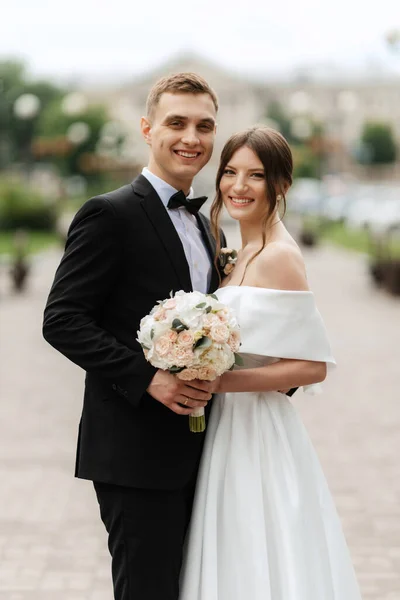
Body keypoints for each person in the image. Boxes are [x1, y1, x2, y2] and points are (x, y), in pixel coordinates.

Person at [42, 72, 226, 600]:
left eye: (204, 126)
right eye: (177, 123)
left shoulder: (209, 227)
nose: (192, 137)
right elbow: (63, 319)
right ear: (148, 129)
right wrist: (149, 379)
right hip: (135, 452)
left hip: (203, 449)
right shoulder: (109, 214)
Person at [179, 127, 362, 599]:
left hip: (257, 429)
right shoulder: (238, 253)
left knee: (258, 548)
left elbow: (311, 367)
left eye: (256, 175)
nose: (238, 186)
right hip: (225, 428)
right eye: (231, 173)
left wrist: (217, 382)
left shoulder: (280, 256)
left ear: (280, 184)